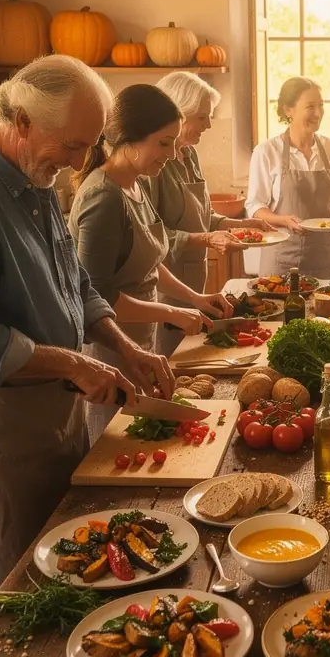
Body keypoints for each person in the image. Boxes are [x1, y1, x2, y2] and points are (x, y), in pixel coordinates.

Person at [0, 56, 176, 647]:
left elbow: (76, 285)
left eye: (88, 147)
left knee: (53, 565)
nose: (79, 163)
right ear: (21, 120)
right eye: (71, 146)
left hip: (46, 413)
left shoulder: (36, 184)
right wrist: (75, 363)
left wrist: (123, 346)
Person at [70, 83, 232, 442]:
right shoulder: (103, 198)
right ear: (129, 138)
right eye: (163, 143)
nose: (172, 154)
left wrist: (194, 298)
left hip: (140, 344)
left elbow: (150, 261)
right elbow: (97, 297)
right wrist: (171, 312)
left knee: (139, 445)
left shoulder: (135, 186)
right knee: (111, 449)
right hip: (108, 351)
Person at [150, 71, 274, 355]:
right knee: (167, 355)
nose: (208, 125)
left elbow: (201, 215)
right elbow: (152, 236)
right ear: (179, 112)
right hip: (165, 283)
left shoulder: (189, 155)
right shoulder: (155, 164)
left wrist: (238, 223)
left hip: (195, 279)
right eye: (202, 117)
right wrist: (207, 239)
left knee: (186, 352)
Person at [246, 76, 330, 279]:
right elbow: (255, 207)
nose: (318, 113)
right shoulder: (267, 151)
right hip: (281, 260)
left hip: (326, 260)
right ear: (289, 110)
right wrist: (283, 220)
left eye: (321, 105)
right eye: (310, 106)